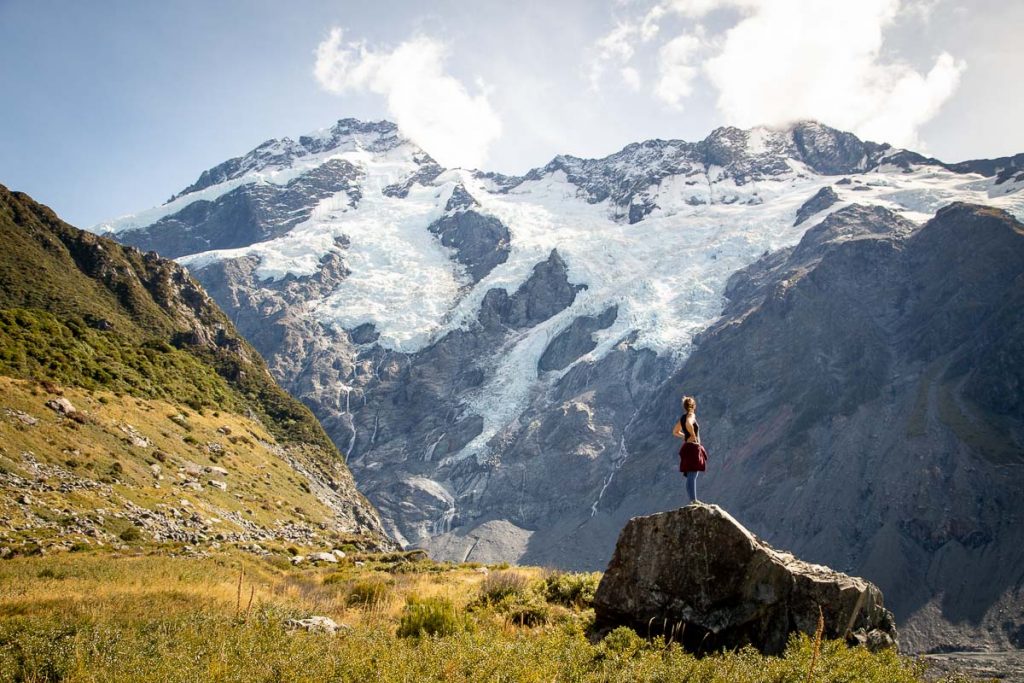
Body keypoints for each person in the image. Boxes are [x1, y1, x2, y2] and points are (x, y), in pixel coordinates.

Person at [673, 395, 706, 504]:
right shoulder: (691, 415)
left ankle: (692, 500)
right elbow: (688, 423)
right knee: (693, 474)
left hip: (687, 447)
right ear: (693, 406)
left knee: (690, 475)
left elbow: (675, 431)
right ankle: (694, 500)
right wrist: (693, 435)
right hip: (693, 447)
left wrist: (685, 436)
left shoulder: (682, 417)